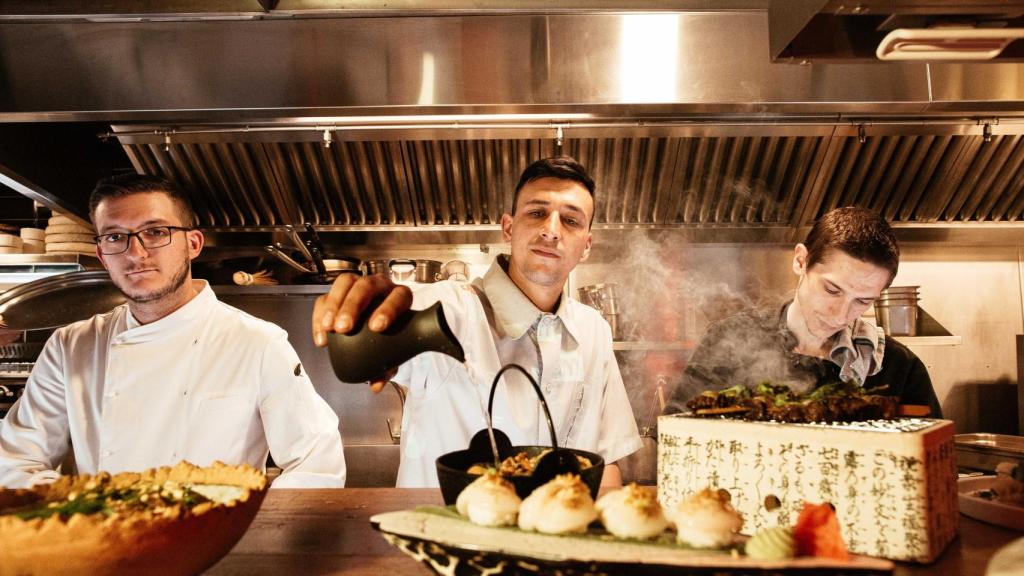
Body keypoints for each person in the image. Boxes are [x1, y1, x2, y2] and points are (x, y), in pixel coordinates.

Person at [311, 156, 641, 488]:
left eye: (570, 220)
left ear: (586, 246)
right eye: (537, 213)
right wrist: (363, 313)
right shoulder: (450, 308)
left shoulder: (592, 329)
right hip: (444, 536)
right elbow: (396, 311)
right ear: (509, 228)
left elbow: (606, 461)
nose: (551, 231)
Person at [0, 174, 346, 488]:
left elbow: (317, 465)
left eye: (155, 232)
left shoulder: (256, 342)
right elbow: (15, 459)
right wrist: (80, 512)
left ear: (193, 244)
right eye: (116, 236)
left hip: (217, 545)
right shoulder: (71, 346)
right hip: (106, 543)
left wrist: (251, 527)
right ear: (103, 255)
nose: (135, 253)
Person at [665, 206, 942, 416]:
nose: (839, 315)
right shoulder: (730, 339)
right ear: (801, 261)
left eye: (862, 301)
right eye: (832, 290)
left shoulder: (897, 368)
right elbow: (677, 434)